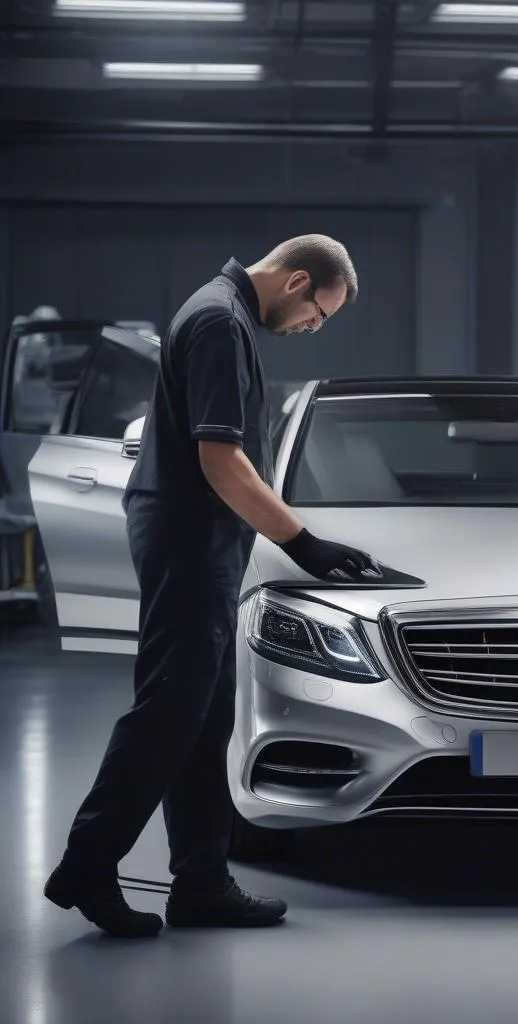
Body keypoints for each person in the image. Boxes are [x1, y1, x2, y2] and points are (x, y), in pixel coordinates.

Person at [44, 235, 386, 938]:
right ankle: (86, 864)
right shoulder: (221, 322)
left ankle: (201, 880)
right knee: (168, 713)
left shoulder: (219, 312)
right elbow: (222, 461)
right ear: (297, 282)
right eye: (319, 314)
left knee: (204, 721)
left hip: (202, 540)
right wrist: (304, 543)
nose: (312, 329)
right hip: (190, 541)